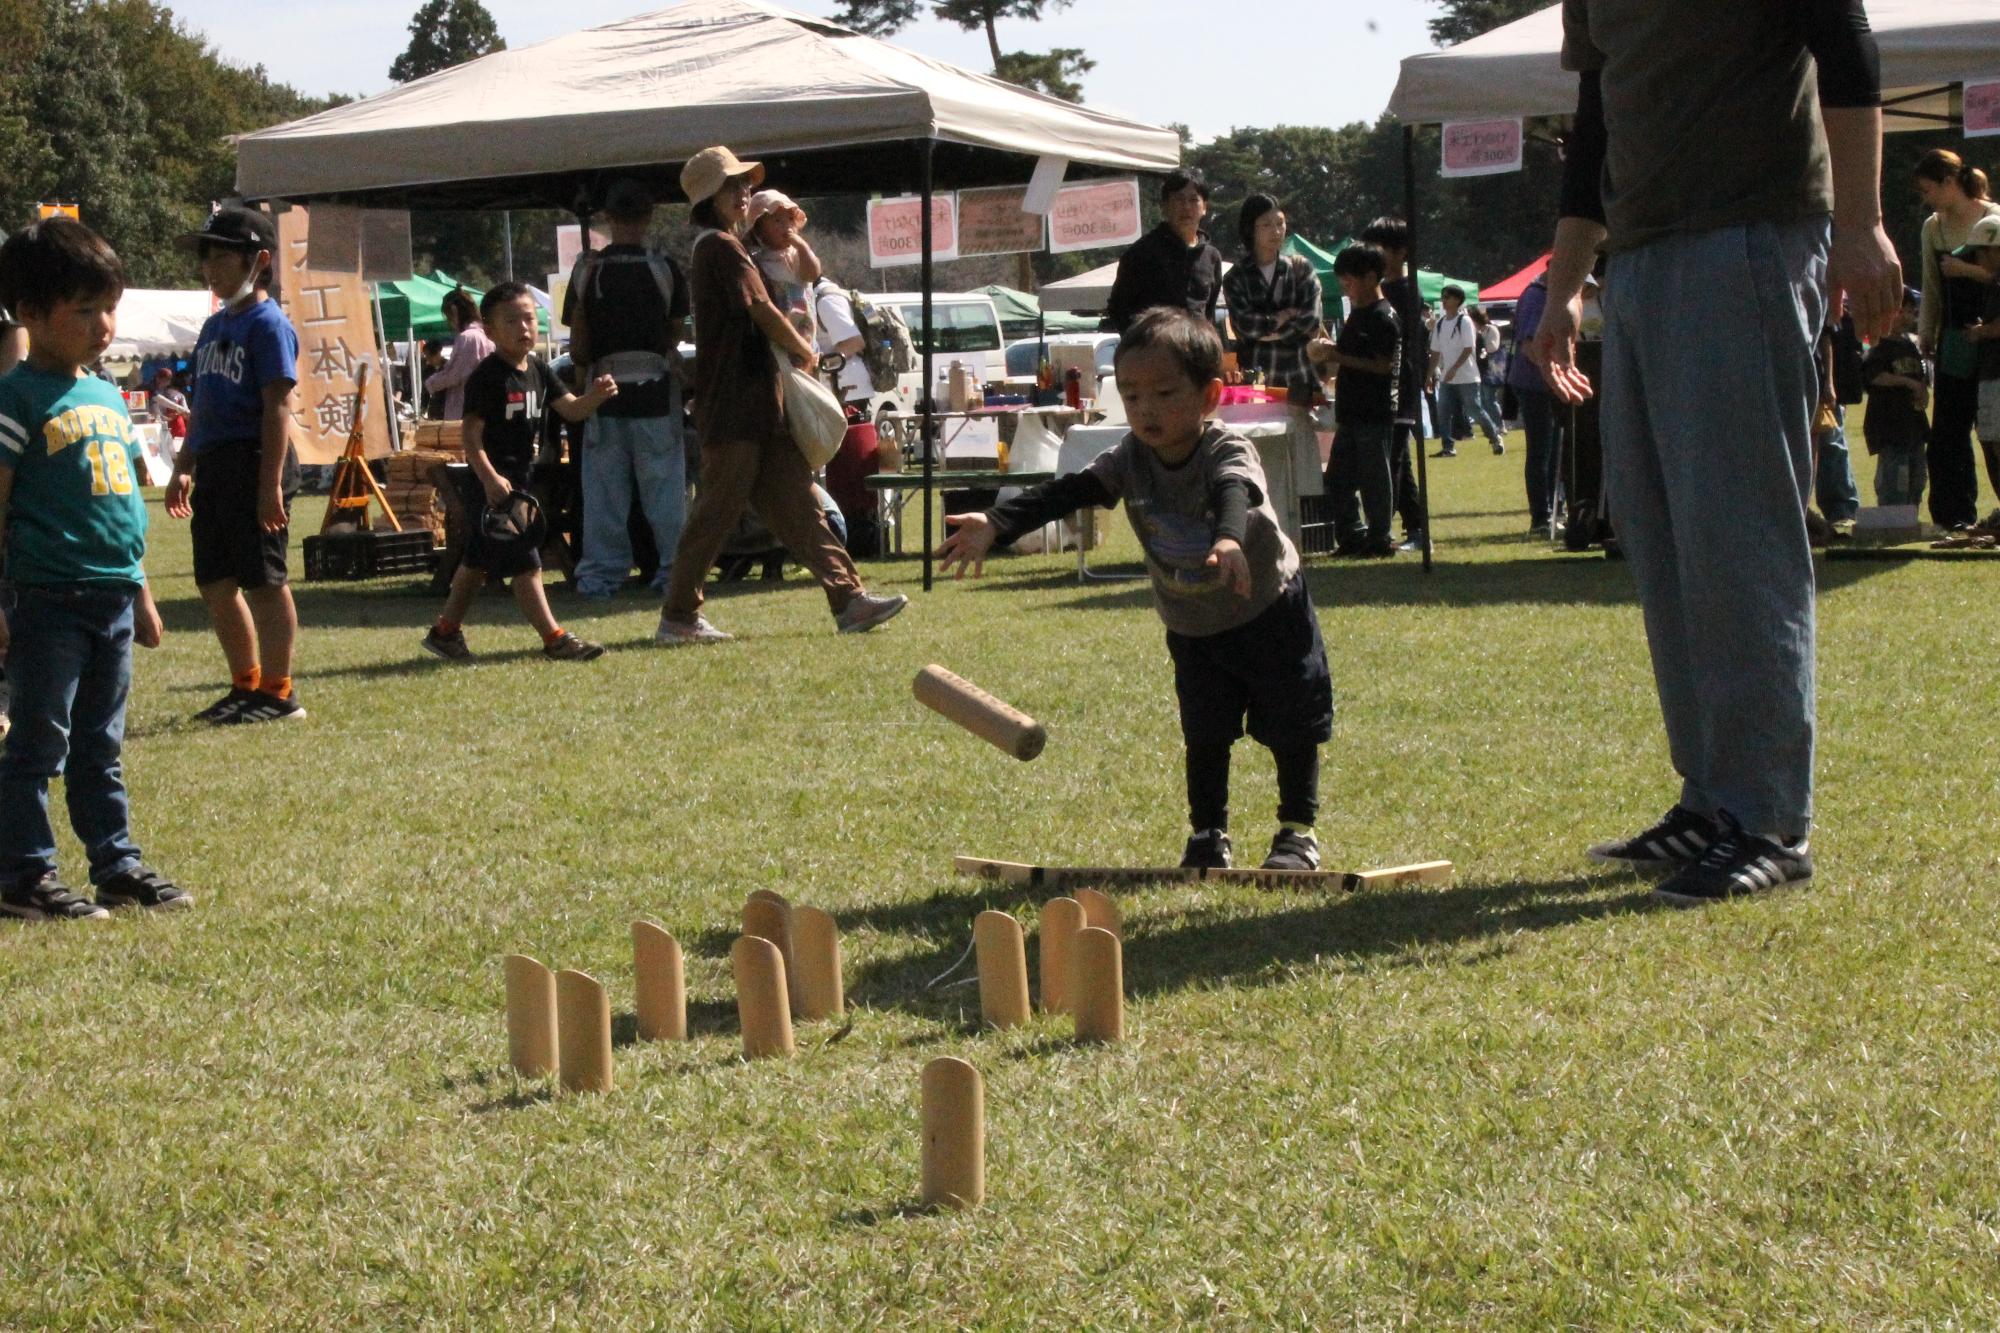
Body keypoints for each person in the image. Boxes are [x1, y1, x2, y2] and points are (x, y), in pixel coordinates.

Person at [1535, 0, 1901, 905]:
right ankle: (1711, 798)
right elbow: (1596, 123)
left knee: (1739, 533)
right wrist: (1563, 290)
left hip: (1750, 231)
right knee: (1661, 535)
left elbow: (1847, 48)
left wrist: (1862, 221)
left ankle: (1769, 818)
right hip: (1644, 252)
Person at [938, 308, 1332, 872]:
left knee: (1292, 723)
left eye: (1165, 393)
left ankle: (1296, 834)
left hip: (1267, 609)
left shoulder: (1227, 449)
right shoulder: (1130, 458)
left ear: (1209, 396)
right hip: (1193, 625)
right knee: (1204, 733)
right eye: (1132, 395)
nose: (1145, 409)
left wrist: (1227, 539)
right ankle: (1208, 834)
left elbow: (1233, 493)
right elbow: (1070, 491)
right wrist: (999, 524)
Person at [0, 218, 188, 920]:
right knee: (38, 740)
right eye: (84, 310)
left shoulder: (108, 397)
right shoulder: (15, 401)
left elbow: (118, 510)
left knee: (100, 744)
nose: (104, 324)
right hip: (44, 599)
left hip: (110, 596)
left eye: (109, 306)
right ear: (28, 315)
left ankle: (115, 864)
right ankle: (24, 875)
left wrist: (139, 591)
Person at [656, 146, 907, 645]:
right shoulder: (719, 248)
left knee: (799, 507)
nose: (745, 192)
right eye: (735, 185)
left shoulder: (726, 246)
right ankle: (679, 617)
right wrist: (803, 350)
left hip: (758, 404)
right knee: (715, 515)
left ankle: (850, 600)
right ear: (713, 197)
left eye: (745, 183)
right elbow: (762, 311)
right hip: (734, 407)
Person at [165, 206, 307, 726]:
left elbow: (277, 407)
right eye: (205, 258)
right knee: (215, 581)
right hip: (218, 463)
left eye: (221, 256)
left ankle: (279, 692)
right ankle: (245, 686)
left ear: (259, 260)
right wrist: (185, 462)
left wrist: (269, 485)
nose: (209, 268)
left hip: (256, 459)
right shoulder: (213, 325)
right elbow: (202, 402)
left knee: (264, 580)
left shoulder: (268, 325)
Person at [423, 284, 615, 663]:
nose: (524, 327)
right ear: (490, 331)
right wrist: (490, 479)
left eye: (529, 318)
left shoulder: (540, 370)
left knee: (477, 560)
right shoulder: (487, 376)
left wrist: (596, 396)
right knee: (527, 563)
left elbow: (573, 410)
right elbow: (471, 439)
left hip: (521, 481)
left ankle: (445, 633)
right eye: (512, 320)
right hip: (492, 484)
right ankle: (555, 638)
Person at [562, 178, 693, 601]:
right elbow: (674, 332)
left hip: (602, 389)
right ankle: (674, 570)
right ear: (650, 216)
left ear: (607, 217)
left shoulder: (588, 269)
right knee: (665, 493)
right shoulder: (665, 268)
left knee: (603, 496)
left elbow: (578, 337)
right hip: (655, 387)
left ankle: (600, 576)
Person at [1913, 150, 2000, 531]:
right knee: (1948, 432)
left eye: (1928, 189)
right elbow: (1931, 286)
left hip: (1995, 341)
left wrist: (1967, 269)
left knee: (1993, 433)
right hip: (1953, 340)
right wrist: (1927, 333)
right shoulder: (1933, 228)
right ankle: (1953, 516)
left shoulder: (1994, 218)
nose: (1925, 199)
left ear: (1950, 183)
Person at [1308, 243, 1401, 557]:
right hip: (1350, 412)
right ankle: (1352, 537)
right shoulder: (1357, 315)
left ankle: (1380, 539)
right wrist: (1330, 352)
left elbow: (1383, 365)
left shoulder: (1383, 317)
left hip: (1374, 412)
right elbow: (1350, 356)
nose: (1344, 286)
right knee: (1338, 479)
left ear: (1372, 277)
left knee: (1375, 480)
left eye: (1349, 280)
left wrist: (1337, 354)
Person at [1359, 218, 1430, 549]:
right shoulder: (1380, 289)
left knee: (1394, 460)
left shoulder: (1405, 292)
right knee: (1397, 459)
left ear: (1401, 252)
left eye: (1381, 247)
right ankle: (1415, 528)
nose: (1373, 254)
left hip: (1400, 388)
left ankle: (1391, 530)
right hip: (1382, 388)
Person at [1105, 170, 1225, 335]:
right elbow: (1119, 309)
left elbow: (1208, 312)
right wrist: (1145, 344)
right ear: (1165, 206)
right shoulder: (1142, 253)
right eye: (1178, 199)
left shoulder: (1211, 257)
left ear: (1204, 207)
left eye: (1193, 200)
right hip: (1156, 354)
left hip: (1196, 353)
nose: (1186, 207)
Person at [1508, 269, 1567, 531]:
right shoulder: (1536, 297)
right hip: (1535, 385)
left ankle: (1555, 510)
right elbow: (1529, 346)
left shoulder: (1547, 295)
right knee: (1541, 451)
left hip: (1546, 385)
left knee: (1554, 451)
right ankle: (1541, 516)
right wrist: (1552, 373)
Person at [1862, 287, 1930, 507]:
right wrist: (1907, 382)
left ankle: (1909, 521)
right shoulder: (1878, 344)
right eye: (1901, 311)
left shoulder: (1910, 346)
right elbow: (1874, 377)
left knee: (1917, 478)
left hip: (1913, 425)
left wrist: (1921, 392)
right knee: (1894, 479)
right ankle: (1892, 521)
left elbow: (1920, 378)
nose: (1906, 316)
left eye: (1911, 312)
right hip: (1889, 426)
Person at [1429, 286, 1503, 457]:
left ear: (1456, 300)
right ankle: (1448, 447)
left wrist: (1454, 368)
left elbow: (1469, 348)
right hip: (1448, 378)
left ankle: (1495, 438)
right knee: (1443, 411)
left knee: (1475, 410)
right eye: (1443, 297)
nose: (1443, 300)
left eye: (1446, 297)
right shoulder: (1440, 324)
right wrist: (1429, 375)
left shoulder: (1465, 321)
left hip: (1468, 377)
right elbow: (1435, 352)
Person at [424, 288, 495, 423]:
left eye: (448, 317)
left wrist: (430, 383)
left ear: (454, 312)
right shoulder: (487, 336)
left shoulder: (468, 337)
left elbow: (454, 374)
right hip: (485, 408)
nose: (450, 323)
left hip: (465, 412)